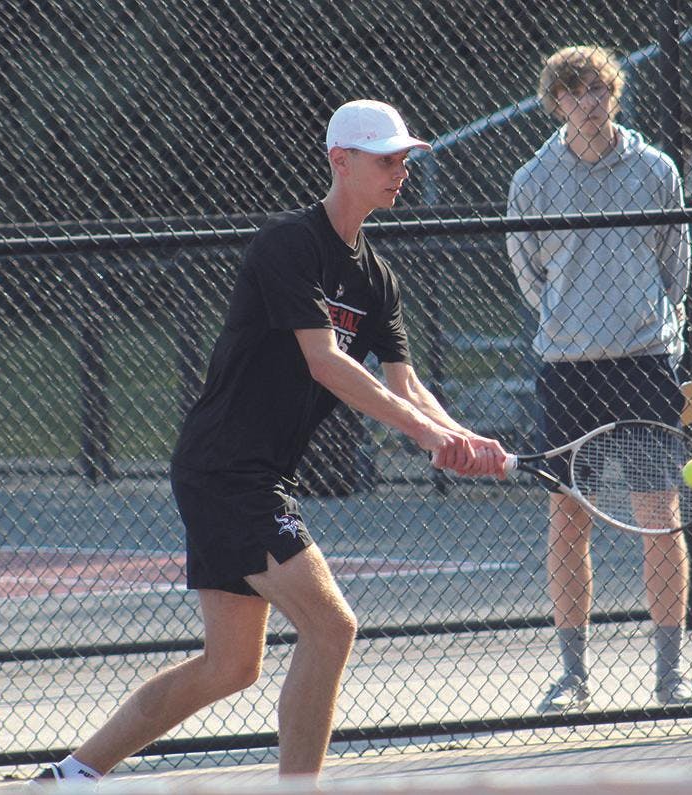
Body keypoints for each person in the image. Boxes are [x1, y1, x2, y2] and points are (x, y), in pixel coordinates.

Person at [35, 99, 507, 785]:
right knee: (332, 627)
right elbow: (327, 362)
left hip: (257, 473)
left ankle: (70, 775)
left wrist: (466, 437)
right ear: (339, 161)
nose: (400, 170)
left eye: (404, 158)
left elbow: (406, 386)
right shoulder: (287, 244)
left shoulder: (378, 280)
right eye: (385, 158)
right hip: (227, 465)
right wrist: (429, 434)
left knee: (231, 666)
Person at [506, 46, 692, 712]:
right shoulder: (532, 180)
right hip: (568, 371)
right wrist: (570, 322)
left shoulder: (654, 170)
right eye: (574, 91)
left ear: (615, 96)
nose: (588, 101)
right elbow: (529, 272)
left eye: (600, 90)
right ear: (556, 101)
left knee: (659, 517)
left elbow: (677, 262)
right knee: (567, 519)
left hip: (645, 364)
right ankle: (572, 675)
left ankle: (671, 674)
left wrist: (646, 323)